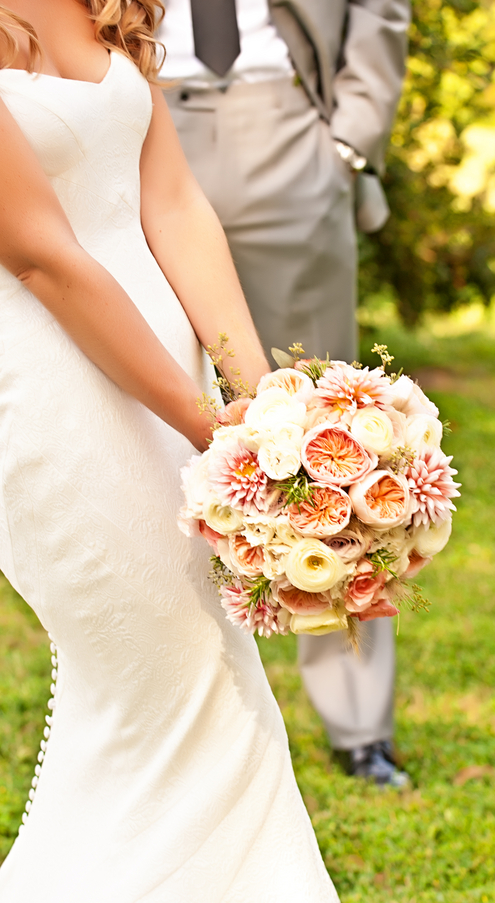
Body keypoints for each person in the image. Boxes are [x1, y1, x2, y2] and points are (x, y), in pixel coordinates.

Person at [0, 1, 340, 900]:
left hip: (171, 363)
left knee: (214, 665)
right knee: (159, 675)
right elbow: (40, 257)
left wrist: (264, 406)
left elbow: (177, 204)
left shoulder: (102, 0)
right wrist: (208, 428)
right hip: (48, 384)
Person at [159, 0, 412, 786]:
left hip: (288, 125)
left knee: (335, 442)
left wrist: (347, 139)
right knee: (150, 428)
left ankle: (358, 722)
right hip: (143, 113)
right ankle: (171, 722)